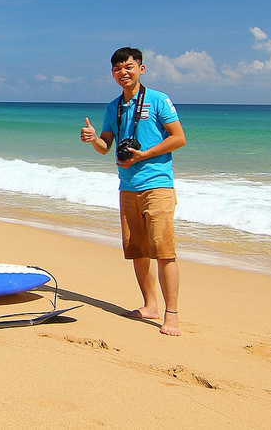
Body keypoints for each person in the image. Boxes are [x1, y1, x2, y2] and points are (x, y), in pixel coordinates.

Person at [80, 47, 187, 336]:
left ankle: (172, 315)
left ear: (141, 68)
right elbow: (106, 147)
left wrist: (145, 155)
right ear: (112, 73)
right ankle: (150, 306)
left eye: (128, 66)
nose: (123, 72)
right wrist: (93, 139)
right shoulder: (113, 107)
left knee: (164, 252)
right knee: (138, 250)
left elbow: (179, 138)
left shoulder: (158, 99)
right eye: (117, 68)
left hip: (157, 185)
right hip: (127, 187)